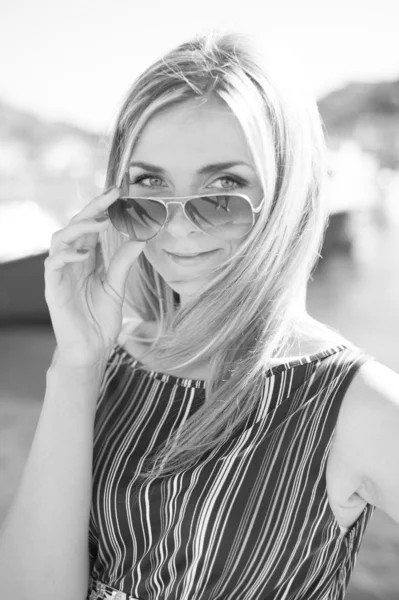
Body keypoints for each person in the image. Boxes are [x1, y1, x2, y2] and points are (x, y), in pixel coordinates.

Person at [0, 28, 398, 600]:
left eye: (224, 190)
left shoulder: (349, 405)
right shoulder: (107, 364)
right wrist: (77, 362)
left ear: (287, 195)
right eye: (149, 185)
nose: (180, 226)